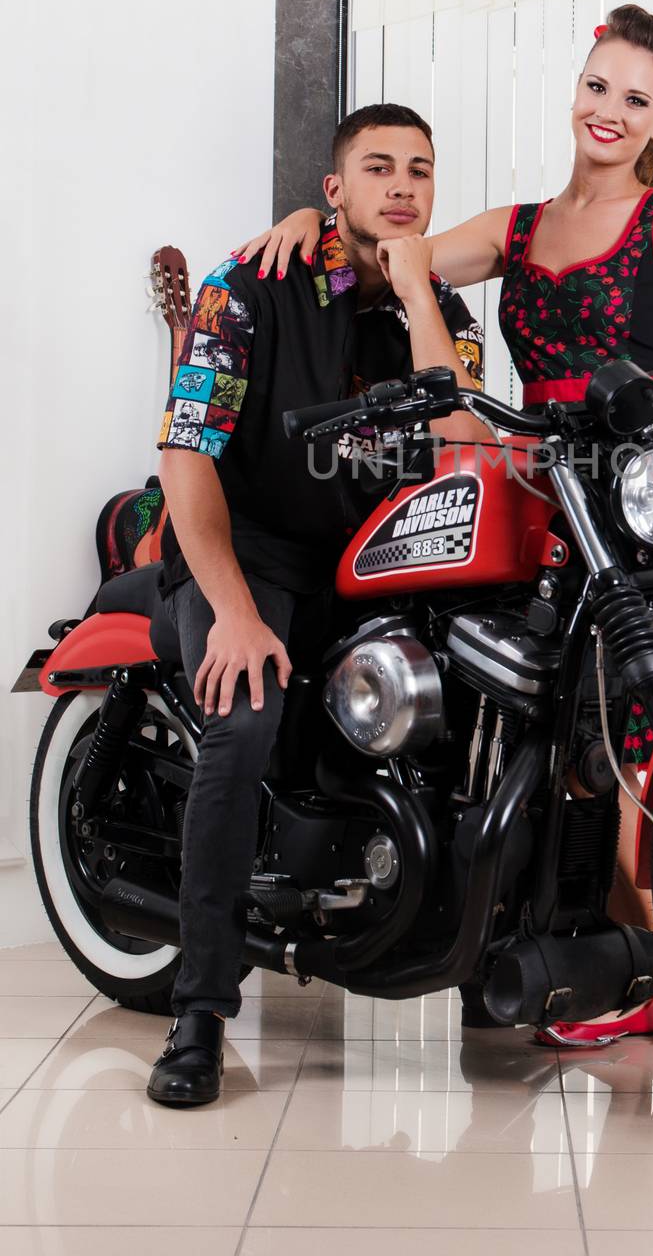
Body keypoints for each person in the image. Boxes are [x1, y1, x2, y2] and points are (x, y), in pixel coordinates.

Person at [237, 4, 653, 1053]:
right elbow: (390, 254)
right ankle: (602, 954)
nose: (608, 111)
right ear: (573, 91)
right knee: (581, 743)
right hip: (547, 495)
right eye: (596, 87)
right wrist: (311, 224)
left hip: (646, 499)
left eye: (634, 98)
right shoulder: (516, 227)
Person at [147, 102, 486, 1107]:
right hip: (245, 562)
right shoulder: (249, 286)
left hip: (370, 570)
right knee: (243, 716)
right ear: (332, 191)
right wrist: (236, 610)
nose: (400, 187)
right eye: (376, 168)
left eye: (418, 172)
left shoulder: (436, 312)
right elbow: (184, 453)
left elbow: (464, 441)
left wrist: (417, 287)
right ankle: (199, 1008)